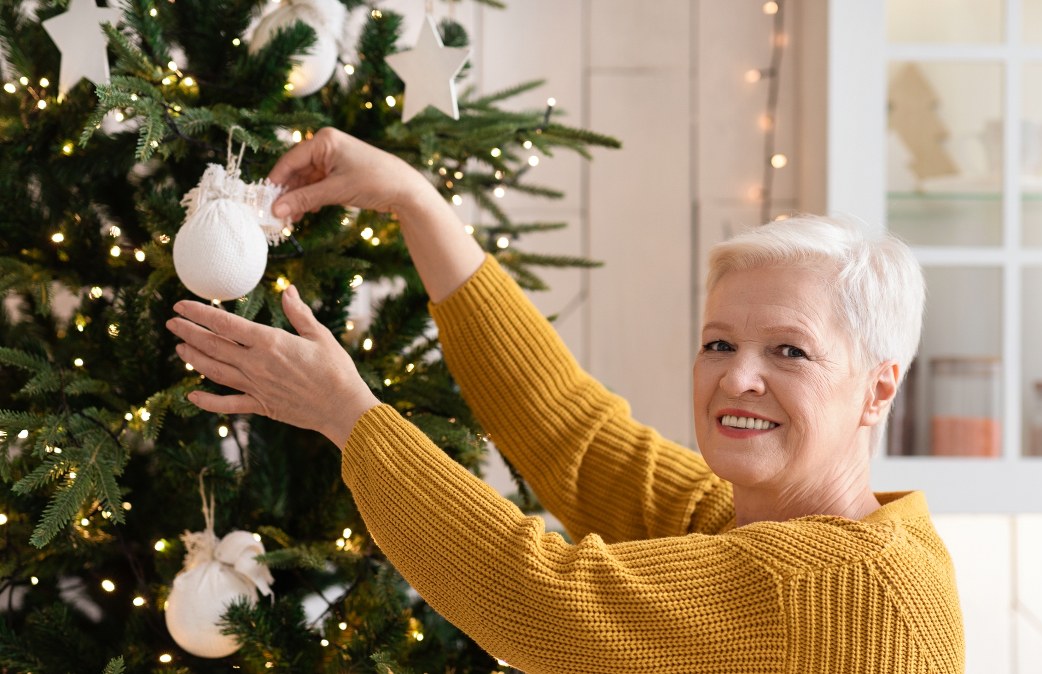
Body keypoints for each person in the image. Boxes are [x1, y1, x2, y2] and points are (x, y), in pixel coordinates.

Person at [165, 127, 965, 673]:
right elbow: (574, 435)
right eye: (719, 343)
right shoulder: (749, 519)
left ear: (877, 389)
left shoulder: (844, 585)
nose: (737, 378)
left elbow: (538, 599)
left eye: (789, 351)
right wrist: (415, 200)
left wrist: (347, 415)